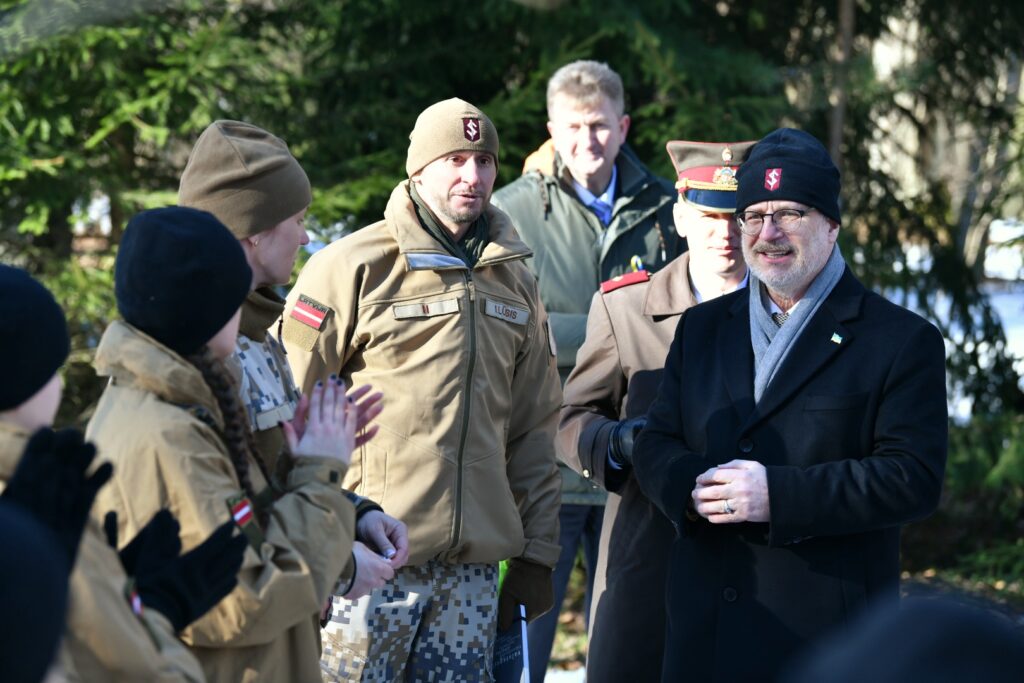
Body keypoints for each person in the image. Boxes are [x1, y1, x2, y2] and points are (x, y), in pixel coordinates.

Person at [633, 127, 949, 681]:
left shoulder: (899, 340)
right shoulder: (703, 328)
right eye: (753, 216)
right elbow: (657, 440)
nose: (767, 233)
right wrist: (689, 487)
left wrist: (777, 495)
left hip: (830, 642)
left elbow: (912, 478)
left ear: (831, 224)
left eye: (789, 214)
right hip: (705, 638)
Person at [282, 98, 562, 680]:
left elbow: (535, 427)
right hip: (371, 561)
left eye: (484, 160)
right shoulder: (353, 266)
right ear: (418, 169)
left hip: (472, 578)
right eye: (454, 158)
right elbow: (290, 411)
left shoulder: (517, 281)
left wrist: (537, 553)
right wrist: (315, 539)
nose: (473, 175)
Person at [86, 207, 357, 682]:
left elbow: (240, 540)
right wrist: (320, 474)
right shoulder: (168, 436)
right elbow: (245, 596)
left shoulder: (174, 403)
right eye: (236, 298)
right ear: (209, 308)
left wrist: (290, 473)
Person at [491, 59, 681, 677]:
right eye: (572, 127)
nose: (586, 142)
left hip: (633, 458)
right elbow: (500, 326)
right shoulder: (511, 211)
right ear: (551, 127)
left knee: (622, 639)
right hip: (543, 457)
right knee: (526, 641)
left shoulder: (664, 210)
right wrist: (609, 331)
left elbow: (685, 315)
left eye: (599, 126)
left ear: (622, 126)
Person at [178, 120, 407, 608]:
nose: (306, 238)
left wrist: (355, 511)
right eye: (298, 219)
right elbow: (226, 527)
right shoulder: (198, 353)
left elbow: (273, 480)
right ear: (256, 232)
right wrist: (341, 565)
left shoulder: (259, 333)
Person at [556, 139, 756, 682]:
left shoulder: (788, 309)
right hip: (649, 559)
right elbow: (571, 418)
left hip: (756, 571)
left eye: (739, 217)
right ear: (680, 218)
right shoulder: (625, 308)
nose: (726, 234)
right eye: (710, 216)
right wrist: (617, 442)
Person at [0, 263, 247, 682]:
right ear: (31, 380)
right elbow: (138, 672)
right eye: (53, 370)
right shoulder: (39, 514)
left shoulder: (38, 495)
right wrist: (152, 614)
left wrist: (125, 593)